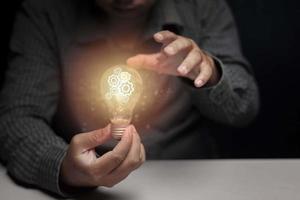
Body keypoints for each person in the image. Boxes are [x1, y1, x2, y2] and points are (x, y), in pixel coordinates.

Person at [0, 0, 259, 197]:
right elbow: (17, 118)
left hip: (190, 186)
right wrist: (64, 166)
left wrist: (208, 73)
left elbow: (243, 106)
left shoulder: (202, 7)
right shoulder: (46, 10)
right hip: (92, 193)